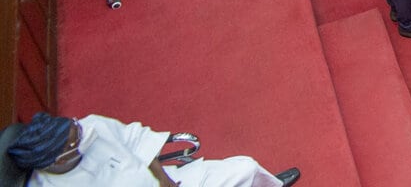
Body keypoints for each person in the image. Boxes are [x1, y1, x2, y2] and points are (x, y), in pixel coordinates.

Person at [5, 111, 300, 186]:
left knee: (245, 168)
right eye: (74, 141)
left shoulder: (90, 127)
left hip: (165, 183)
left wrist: (164, 180)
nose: (82, 136)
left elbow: (138, 141)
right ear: (56, 161)